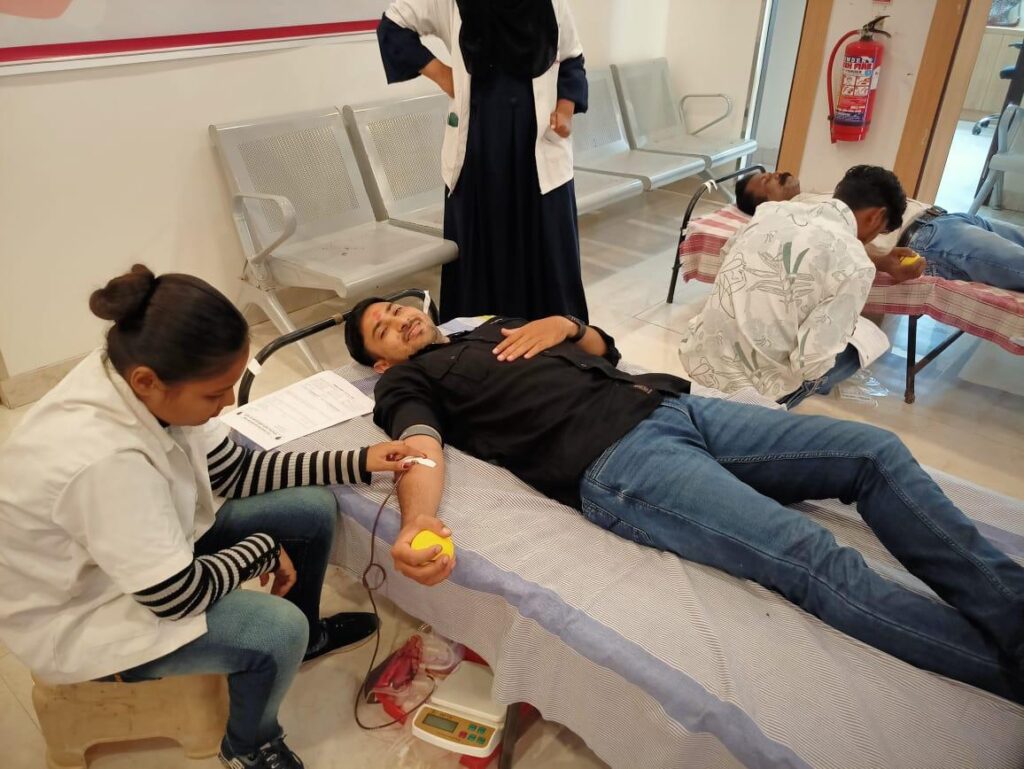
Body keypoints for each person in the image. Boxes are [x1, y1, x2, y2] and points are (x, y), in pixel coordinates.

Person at [343, 298, 1024, 703]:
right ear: (381, 363)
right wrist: (419, 516)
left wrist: (565, 323)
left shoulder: (488, 326)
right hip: (620, 462)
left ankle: (1013, 610)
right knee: (810, 554)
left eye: (397, 308)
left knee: (873, 453)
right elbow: (418, 445)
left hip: (673, 406)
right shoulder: (407, 383)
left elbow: (606, 349)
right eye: (383, 328)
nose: (399, 319)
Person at [0, 265, 427, 769]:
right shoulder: (104, 462)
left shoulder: (141, 375)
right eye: (213, 394)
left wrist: (357, 461)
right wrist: (258, 552)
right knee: (276, 630)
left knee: (311, 509)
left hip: (140, 551)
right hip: (86, 611)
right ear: (147, 382)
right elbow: (175, 597)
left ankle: (309, 638)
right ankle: (248, 745)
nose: (226, 405)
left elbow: (236, 470)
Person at [377, 0, 590, 323]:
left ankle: (557, 339)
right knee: (481, 253)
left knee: (549, 252)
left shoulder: (550, 3)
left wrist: (566, 108)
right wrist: (441, 74)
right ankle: (477, 341)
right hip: (478, 151)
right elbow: (393, 25)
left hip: (538, 154)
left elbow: (572, 58)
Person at [678, 165, 916, 408]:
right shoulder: (857, 265)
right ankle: (767, 406)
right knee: (863, 342)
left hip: (699, 355)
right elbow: (810, 363)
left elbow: (726, 254)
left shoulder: (771, 210)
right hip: (753, 391)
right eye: (880, 232)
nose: (872, 238)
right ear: (876, 217)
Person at [736, 168, 1024, 292]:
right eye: (766, 182)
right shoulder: (798, 218)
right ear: (766, 204)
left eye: (769, 172)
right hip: (931, 239)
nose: (775, 174)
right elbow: (837, 247)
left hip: (946, 217)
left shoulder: (813, 196)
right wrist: (884, 262)